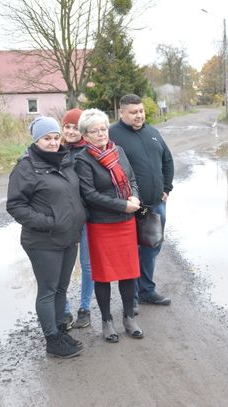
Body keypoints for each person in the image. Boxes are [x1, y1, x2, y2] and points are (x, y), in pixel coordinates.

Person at [7, 116, 86, 358]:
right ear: (36, 140)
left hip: (68, 237)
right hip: (43, 241)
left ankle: (61, 331)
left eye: (55, 137)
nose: (52, 143)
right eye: (46, 139)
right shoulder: (26, 167)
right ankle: (52, 341)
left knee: (62, 288)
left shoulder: (65, 161)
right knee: (48, 290)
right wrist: (49, 223)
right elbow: (16, 205)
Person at [74, 108, 143, 342]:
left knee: (128, 274)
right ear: (85, 135)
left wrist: (134, 197)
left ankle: (128, 317)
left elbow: (132, 178)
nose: (102, 134)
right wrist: (122, 205)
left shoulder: (118, 150)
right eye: (95, 131)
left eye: (104, 129)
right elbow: (89, 194)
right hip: (101, 225)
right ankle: (106, 321)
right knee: (103, 276)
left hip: (126, 224)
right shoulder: (82, 159)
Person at [109, 94, 174, 309]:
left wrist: (166, 189)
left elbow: (167, 160)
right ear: (122, 113)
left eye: (141, 111)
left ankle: (147, 290)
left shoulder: (153, 132)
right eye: (133, 112)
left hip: (155, 205)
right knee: (130, 251)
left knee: (151, 248)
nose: (139, 116)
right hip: (130, 208)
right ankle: (131, 298)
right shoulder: (112, 135)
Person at [60, 108, 93, 330]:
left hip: (87, 217)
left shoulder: (89, 152)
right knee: (62, 266)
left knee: (87, 265)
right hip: (63, 219)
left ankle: (85, 308)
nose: (71, 131)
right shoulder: (55, 149)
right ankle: (63, 311)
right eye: (67, 127)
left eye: (75, 127)